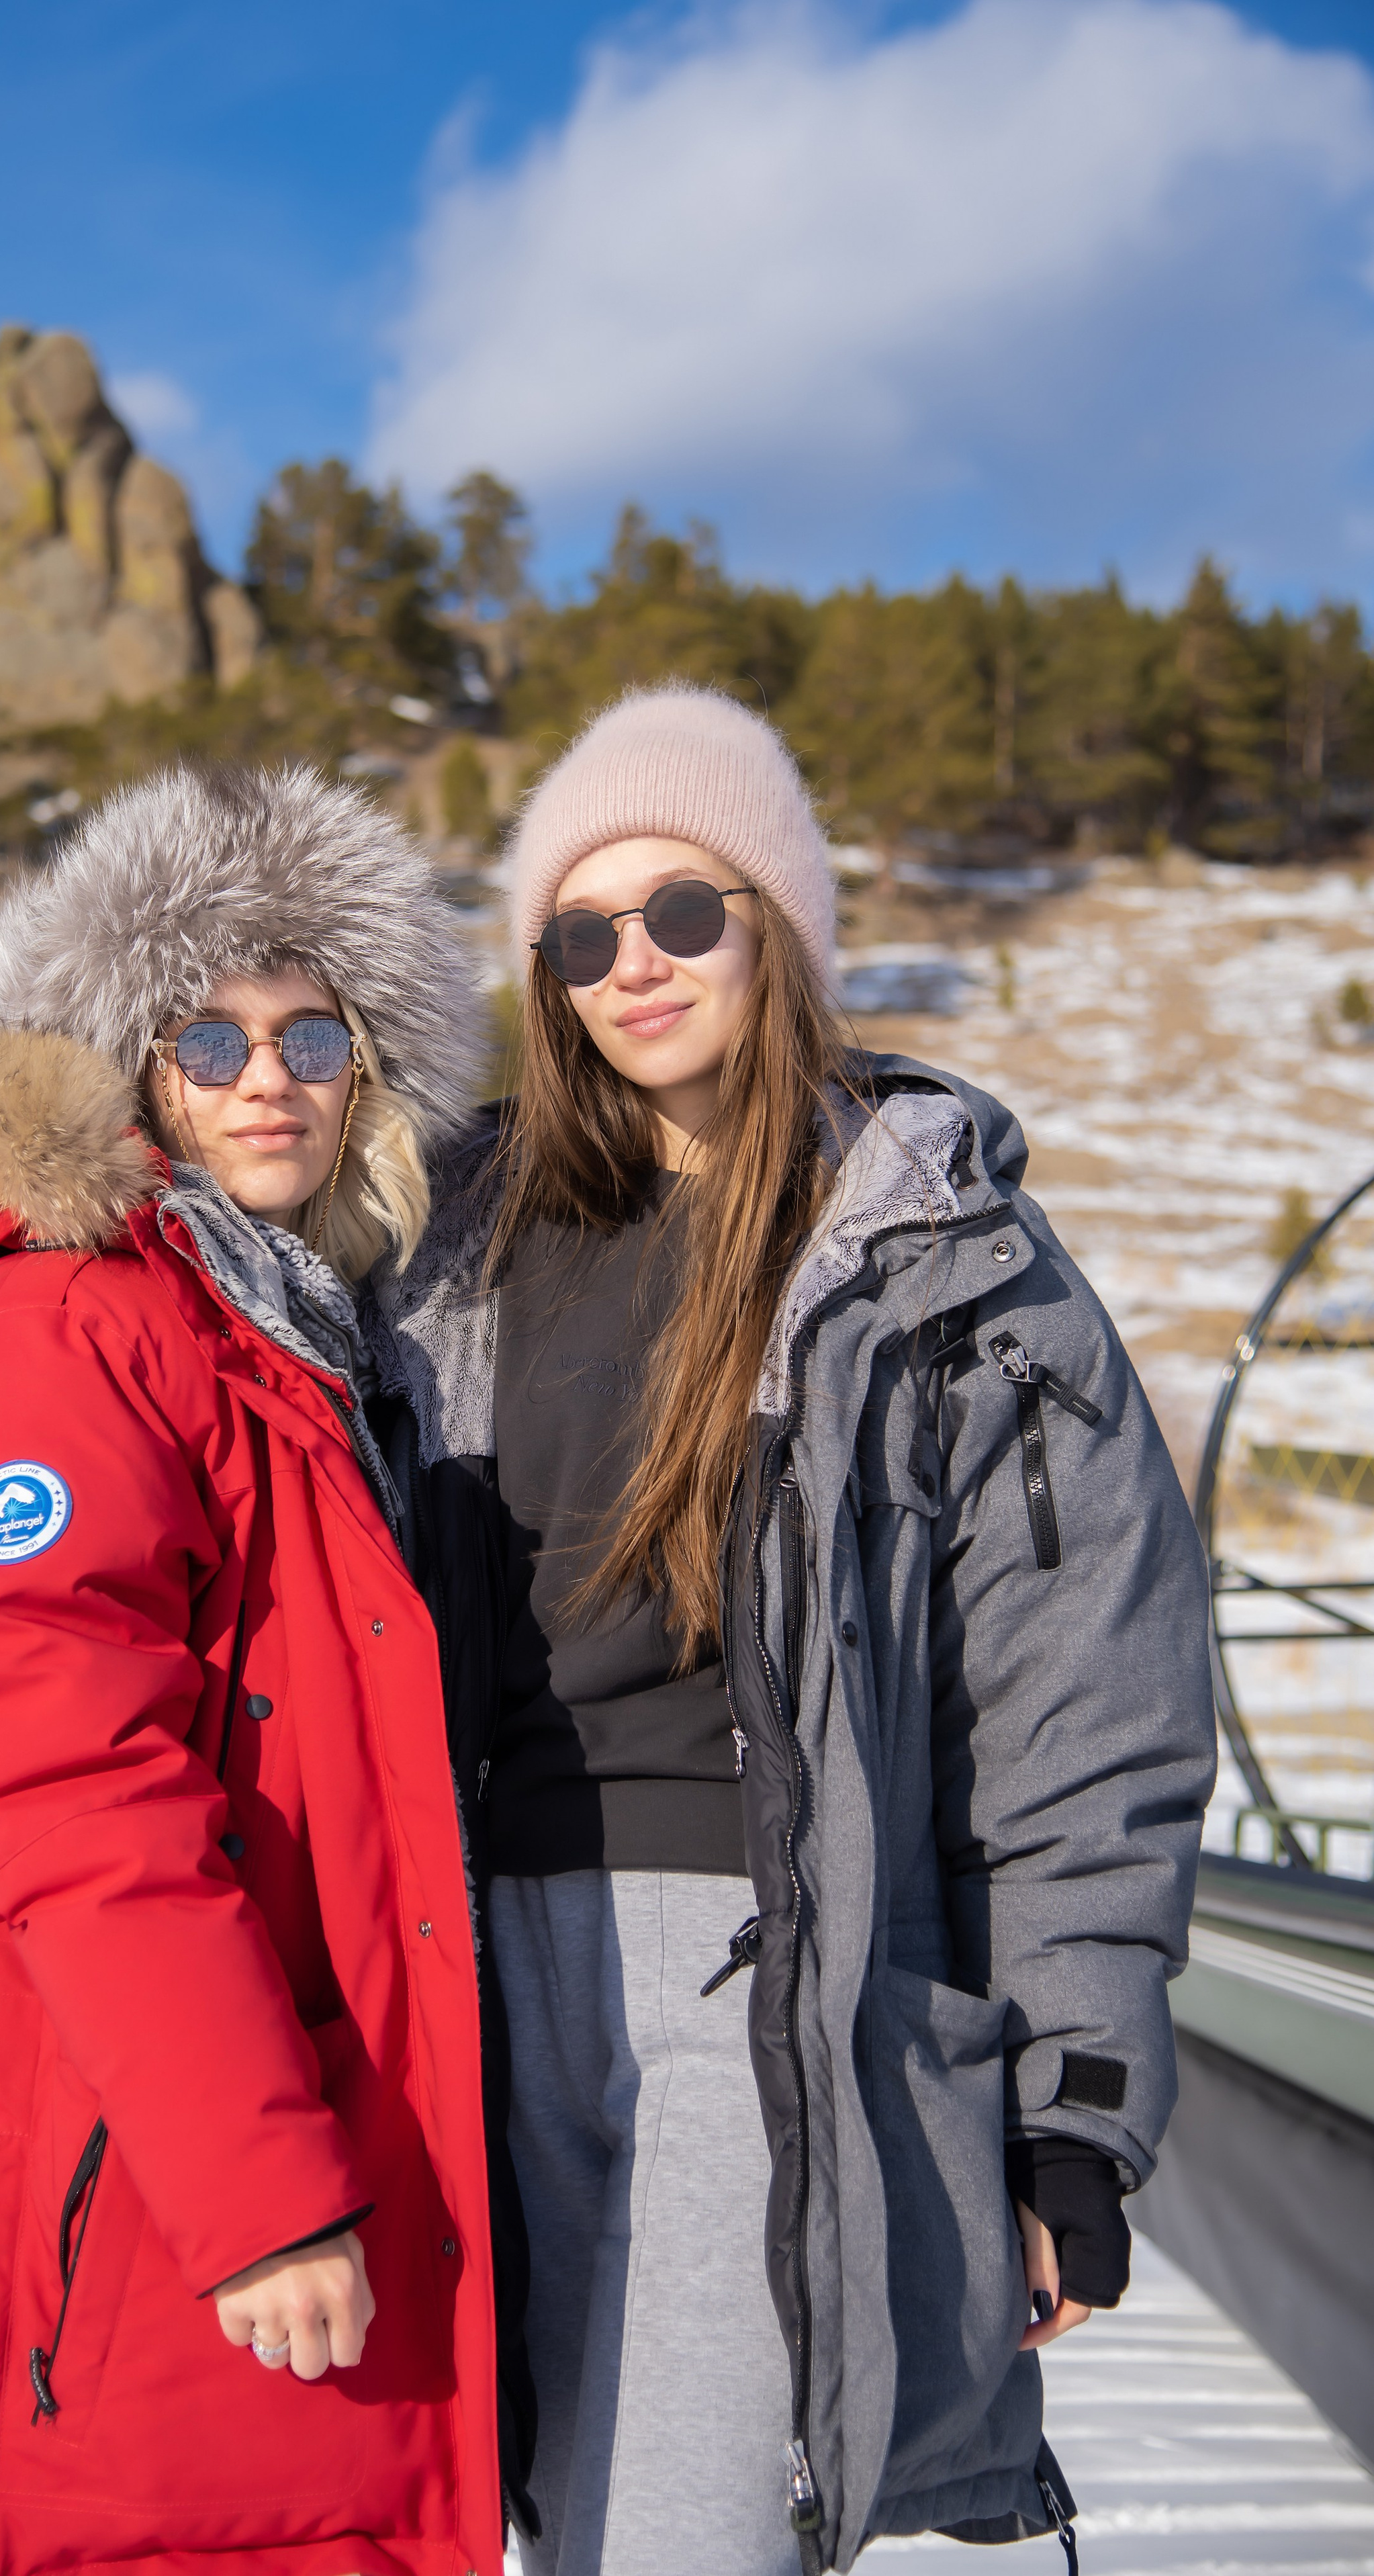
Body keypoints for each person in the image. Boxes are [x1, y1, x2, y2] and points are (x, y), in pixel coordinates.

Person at [364, 684, 1218, 2576]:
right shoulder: (449, 1245)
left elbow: (1085, 1708)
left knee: (678, 2543)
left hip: (768, 1994)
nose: (633, 965)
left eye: (686, 910)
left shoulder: (929, 1256)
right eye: (581, 935)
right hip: (474, 1988)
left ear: (783, 924)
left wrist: (1072, 2105)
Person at [0, 763, 514, 2576]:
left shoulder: (269, 1339)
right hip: (113, 2253)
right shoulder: (64, 1322)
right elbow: (69, 1783)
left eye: (314, 1032)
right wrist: (259, 2189)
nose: (271, 1075)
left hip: (181, 2260)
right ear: (129, 1067)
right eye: (209, 1030)